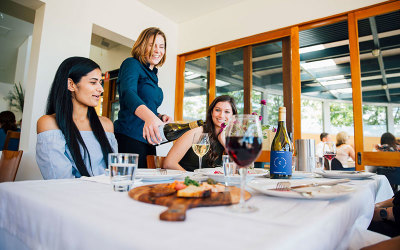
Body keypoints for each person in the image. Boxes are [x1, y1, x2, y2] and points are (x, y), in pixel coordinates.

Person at [36, 57, 118, 179]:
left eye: (100, 83)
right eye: (93, 82)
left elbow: (115, 173)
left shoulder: (106, 124)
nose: (101, 89)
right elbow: (59, 180)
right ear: (71, 84)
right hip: (71, 196)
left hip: (107, 194)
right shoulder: (49, 123)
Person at [114, 27, 171, 169]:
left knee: (147, 186)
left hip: (149, 139)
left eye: (161, 46)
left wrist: (159, 116)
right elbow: (128, 92)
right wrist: (150, 117)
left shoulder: (153, 74)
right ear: (142, 45)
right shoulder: (131, 63)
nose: (157, 50)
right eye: (152, 45)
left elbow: (147, 104)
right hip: (129, 137)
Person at [163, 95, 237, 171]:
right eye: (217, 110)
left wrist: (224, 142)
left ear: (233, 116)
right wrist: (192, 178)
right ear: (211, 112)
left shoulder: (230, 137)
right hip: (185, 180)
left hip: (210, 182)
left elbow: (236, 169)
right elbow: (169, 163)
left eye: (227, 112)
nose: (221, 115)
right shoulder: (196, 132)